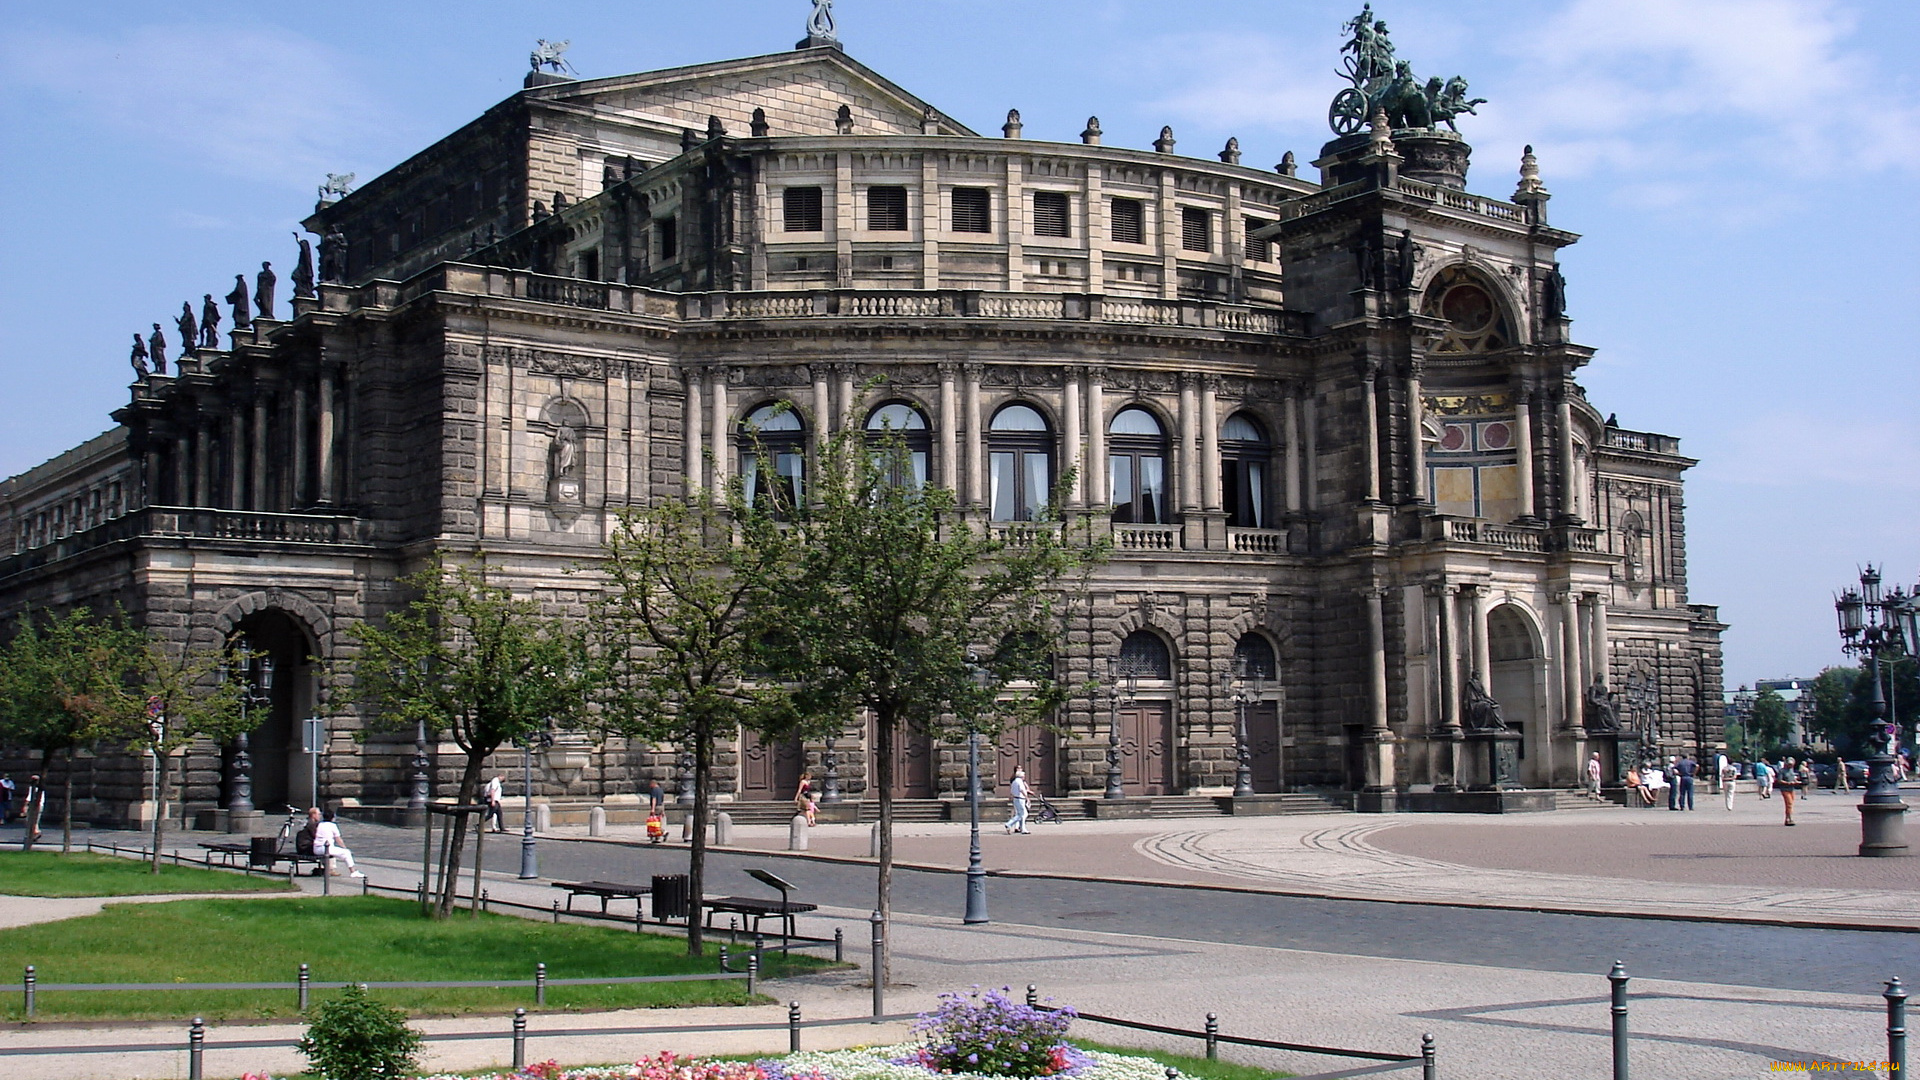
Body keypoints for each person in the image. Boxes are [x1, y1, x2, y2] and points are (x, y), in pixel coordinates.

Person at [310, 807, 364, 878]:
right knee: (346, 853)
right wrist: (344, 848)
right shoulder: (333, 826)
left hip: (317, 849)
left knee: (337, 852)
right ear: (332, 818)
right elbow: (338, 839)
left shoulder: (320, 824)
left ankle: (330, 869)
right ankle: (353, 871)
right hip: (326, 849)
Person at [1776, 756, 1803, 825]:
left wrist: (1796, 781)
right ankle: (1789, 819)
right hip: (1785, 789)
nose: (1790, 766)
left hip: (1792, 789)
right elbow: (1779, 780)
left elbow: (1793, 778)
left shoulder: (1791, 770)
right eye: (1789, 764)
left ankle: (1787, 818)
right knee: (1789, 803)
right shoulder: (1782, 771)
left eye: (1791, 764)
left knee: (1790, 805)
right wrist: (1787, 783)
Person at [1005, 767, 1031, 834]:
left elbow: (1012, 790)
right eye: (1024, 776)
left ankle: (1022, 828)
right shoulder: (1020, 781)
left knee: (1021, 814)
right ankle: (1009, 824)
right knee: (1022, 814)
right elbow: (1022, 790)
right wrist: (1027, 798)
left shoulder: (1014, 781)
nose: (1024, 777)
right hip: (1020, 799)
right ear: (1021, 776)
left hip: (1015, 798)